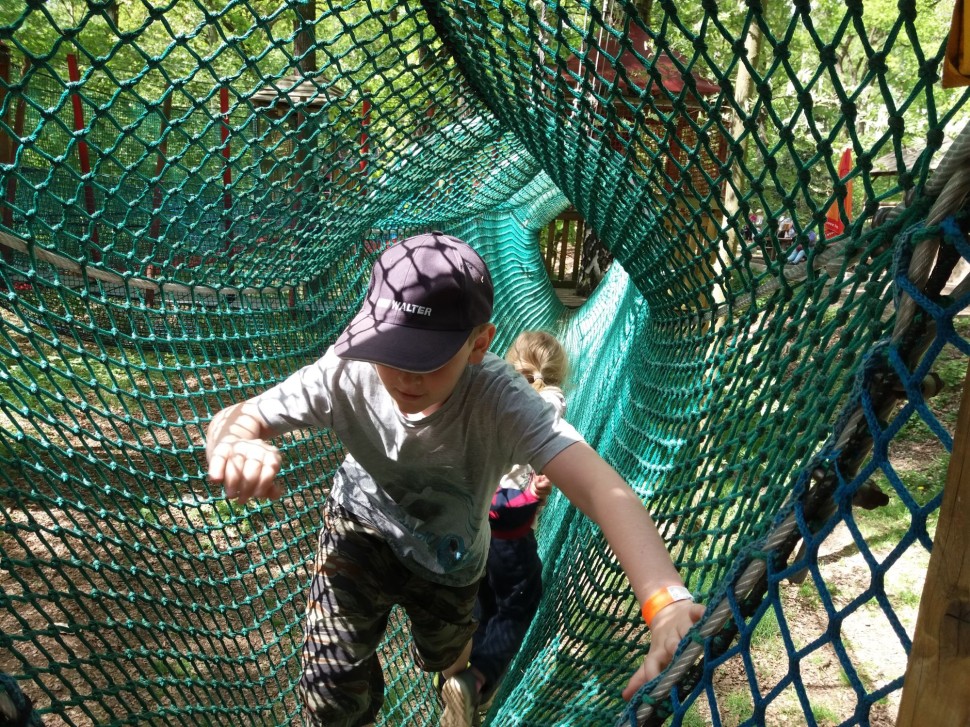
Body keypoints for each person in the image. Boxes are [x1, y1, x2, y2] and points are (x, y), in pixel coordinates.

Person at [204, 232, 705, 727]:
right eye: (390, 350)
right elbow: (239, 416)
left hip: (450, 560)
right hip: (357, 529)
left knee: (444, 655)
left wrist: (663, 602)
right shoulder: (348, 369)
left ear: (478, 344)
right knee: (331, 689)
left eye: (425, 359)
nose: (404, 376)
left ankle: (458, 676)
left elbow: (602, 487)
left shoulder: (502, 400)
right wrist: (235, 442)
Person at [443, 330, 570, 724]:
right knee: (519, 599)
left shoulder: (490, 388)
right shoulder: (549, 401)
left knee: (480, 602)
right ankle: (476, 681)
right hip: (508, 524)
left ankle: (458, 684)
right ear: (558, 373)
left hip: (470, 515)